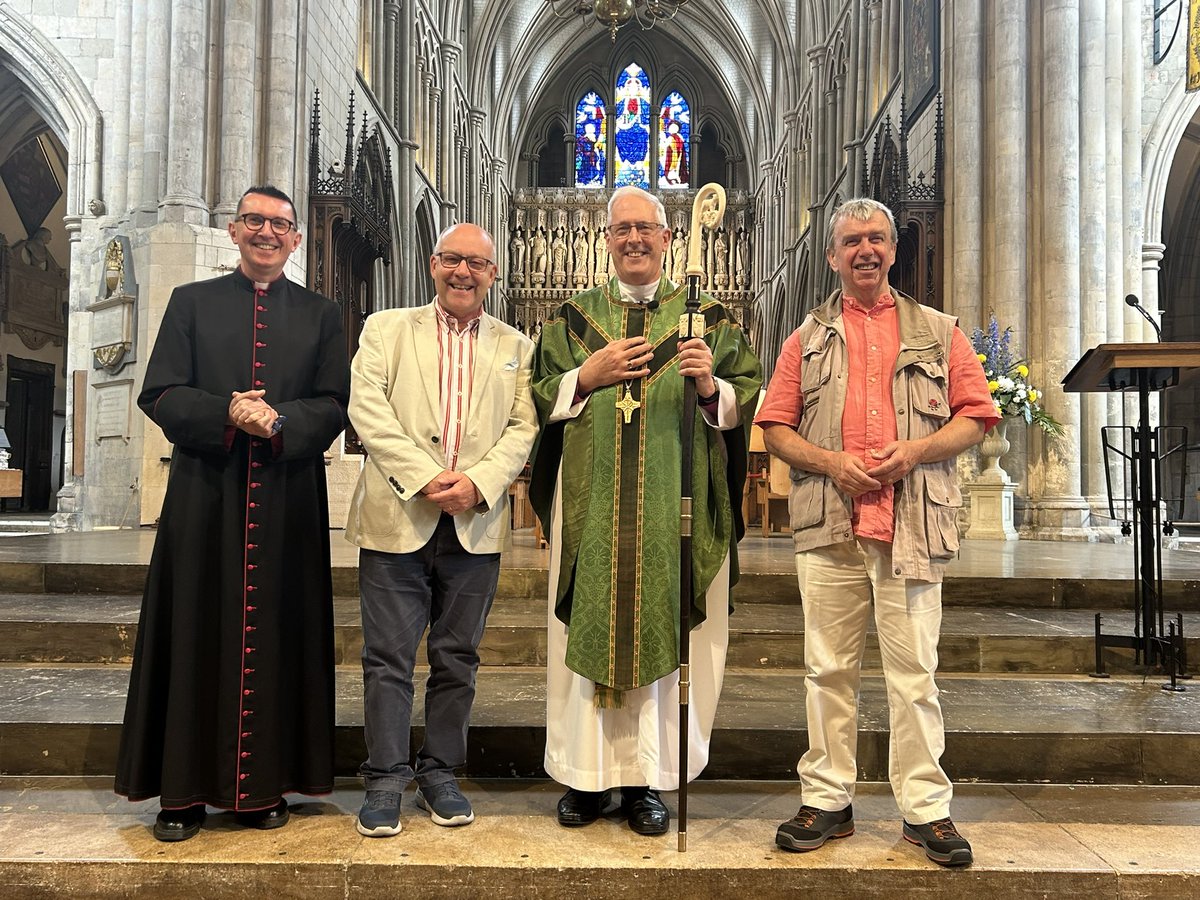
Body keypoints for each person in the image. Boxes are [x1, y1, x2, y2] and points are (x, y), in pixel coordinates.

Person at [755, 197, 997, 868]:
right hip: (831, 524)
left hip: (911, 525)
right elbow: (775, 425)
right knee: (827, 670)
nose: (866, 250)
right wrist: (831, 462)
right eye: (853, 240)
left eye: (877, 240)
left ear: (893, 250)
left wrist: (915, 451)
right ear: (832, 256)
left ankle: (925, 809)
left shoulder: (939, 331)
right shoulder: (804, 339)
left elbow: (975, 417)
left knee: (914, 674)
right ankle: (828, 798)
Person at [115, 185, 350, 842]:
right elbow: (159, 392)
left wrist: (277, 418)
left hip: (286, 504)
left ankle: (261, 789)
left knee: (279, 635)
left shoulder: (321, 314)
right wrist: (227, 410)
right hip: (205, 500)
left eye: (279, 224)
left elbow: (334, 405)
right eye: (254, 220)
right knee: (192, 628)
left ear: (296, 239)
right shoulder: (191, 304)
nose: (267, 232)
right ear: (233, 229)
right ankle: (182, 793)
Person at [529, 185, 762, 837]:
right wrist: (587, 375)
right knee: (587, 639)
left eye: (646, 228)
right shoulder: (572, 322)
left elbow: (749, 393)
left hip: (671, 512)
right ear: (605, 240)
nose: (633, 238)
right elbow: (536, 396)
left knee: (665, 639)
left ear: (667, 239)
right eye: (621, 228)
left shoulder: (708, 320)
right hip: (594, 512)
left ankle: (645, 781)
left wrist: (711, 384)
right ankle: (584, 776)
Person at [345, 223, 538, 837]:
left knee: (458, 657)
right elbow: (366, 408)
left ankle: (440, 771)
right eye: (453, 260)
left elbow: (522, 426)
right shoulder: (385, 328)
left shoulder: (517, 345)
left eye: (477, 264)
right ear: (433, 264)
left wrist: (479, 483)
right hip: (398, 517)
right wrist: (428, 477)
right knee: (388, 658)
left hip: (473, 526)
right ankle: (384, 778)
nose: (464, 272)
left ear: (493, 274)